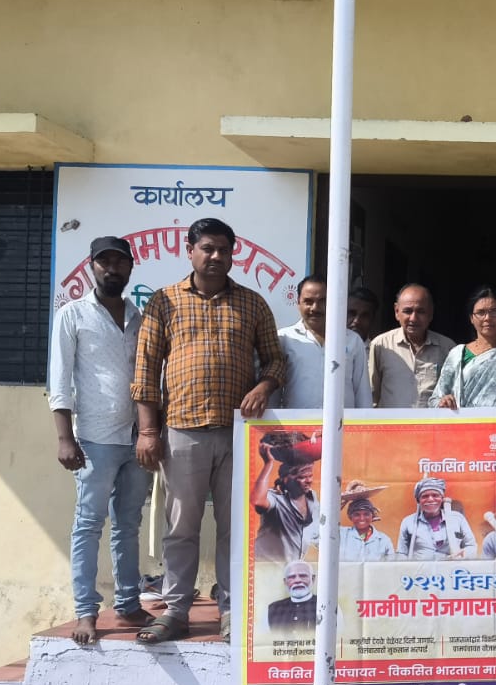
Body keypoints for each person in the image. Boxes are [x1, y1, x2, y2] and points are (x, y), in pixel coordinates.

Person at [132, 218, 285, 644]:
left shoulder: (252, 304)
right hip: (183, 430)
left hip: (239, 433)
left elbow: (276, 359)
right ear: (190, 251)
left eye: (223, 250)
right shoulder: (164, 301)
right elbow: (145, 368)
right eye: (207, 249)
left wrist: (263, 387)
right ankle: (176, 610)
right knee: (182, 526)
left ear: (233, 255)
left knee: (235, 528)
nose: (216, 256)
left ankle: (233, 610)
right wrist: (148, 431)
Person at [48, 236, 153, 645]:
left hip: (136, 437)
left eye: (120, 262)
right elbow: (59, 379)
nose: (112, 268)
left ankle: (127, 603)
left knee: (129, 524)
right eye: (104, 262)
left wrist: (151, 431)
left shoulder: (139, 317)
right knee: (89, 524)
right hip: (94, 438)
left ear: (130, 268)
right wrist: (65, 437)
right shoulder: (73, 314)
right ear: (91, 267)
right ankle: (86, 611)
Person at [274, 274, 372, 410]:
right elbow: (274, 392)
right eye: (308, 301)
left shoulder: (352, 340)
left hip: (343, 422)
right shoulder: (285, 338)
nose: (315, 308)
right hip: (298, 422)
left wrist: (365, 421)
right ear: (298, 303)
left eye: (322, 301)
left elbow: (362, 393)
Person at [432, 286, 496, 409]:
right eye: (481, 312)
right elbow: (435, 400)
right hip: (462, 421)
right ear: (471, 318)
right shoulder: (457, 354)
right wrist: (444, 402)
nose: (487, 318)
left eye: (494, 311)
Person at [370, 284, 455, 407]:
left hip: (431, 419)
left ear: (431, 313)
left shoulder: (448, 348)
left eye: (421, 311)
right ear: (397, 311)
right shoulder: (381, 345)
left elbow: (453, 393)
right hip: (390, 420)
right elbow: (371, 394)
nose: (413, 318)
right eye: (407, 311)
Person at [251, 433, 321, 564]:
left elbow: (318, 529)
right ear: (286, 479)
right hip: (265, 566)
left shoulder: (312, 499)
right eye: (302, 477)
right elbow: (257, 501)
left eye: (310, 475)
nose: (309, 481)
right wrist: (268, 464)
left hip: (292, 568)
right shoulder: (277, 498)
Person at [396, 477, 478, 560]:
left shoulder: (458, 519)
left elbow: (471, 546)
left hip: (452, 567)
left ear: (442, 498)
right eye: (425, 496)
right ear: (418, 500)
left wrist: (464, 554)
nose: (430, 499)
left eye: (435, 495)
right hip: (420, 568)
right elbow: (402, 553)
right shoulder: (408, 522)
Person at [338, 496, 395, 562]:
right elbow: (327, 521)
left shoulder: (384, 540)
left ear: (372, 516)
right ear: (350, 517)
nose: (362, 518)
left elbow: (391, 565)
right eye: (357, 514)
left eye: (366, 514)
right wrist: (342, 502)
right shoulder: (341, 534)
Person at [267, 560, 318, 631]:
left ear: (313, 579)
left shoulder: (323, 605)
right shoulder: (273, 609)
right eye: (292, 577)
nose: (297, 580)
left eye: (303, 576)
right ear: (285, 582)